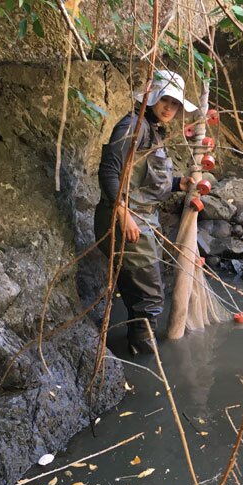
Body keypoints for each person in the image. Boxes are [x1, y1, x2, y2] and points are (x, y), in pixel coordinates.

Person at [95, 69, 197, 355]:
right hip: (128, 219)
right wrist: (123, 213)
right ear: (151, 97)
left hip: (141, 218)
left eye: (175, 104)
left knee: (138, 291)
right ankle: (146, 357)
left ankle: (133, 347)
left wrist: (180, 183)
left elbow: (142, 179)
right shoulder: (132, 126)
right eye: (165, 99)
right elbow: (109, 172)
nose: (169, 108)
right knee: (150, 296)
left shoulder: (151, 130)